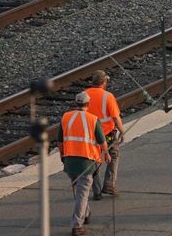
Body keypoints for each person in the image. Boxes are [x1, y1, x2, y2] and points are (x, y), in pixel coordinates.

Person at [56, 92, 112, 236]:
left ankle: (85, 215)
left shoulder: (66, 117)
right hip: (86, 162)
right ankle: (77, 225)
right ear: (88, 104)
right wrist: (106, 153)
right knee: (82, 193)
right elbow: (102, 141)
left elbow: (60, 142)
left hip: (69, 161)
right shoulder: (92, 119)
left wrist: (62, 156)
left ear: (76, 103)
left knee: (79, 191)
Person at [84, 70, 124, 200]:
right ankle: (109, 185)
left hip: (90, 135)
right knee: (114, 155)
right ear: (103, 82)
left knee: (93, 161)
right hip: (107, 134)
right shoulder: (108, 96)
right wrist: (122, 131)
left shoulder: (84, 95)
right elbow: (115, 117)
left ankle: (96, 190)